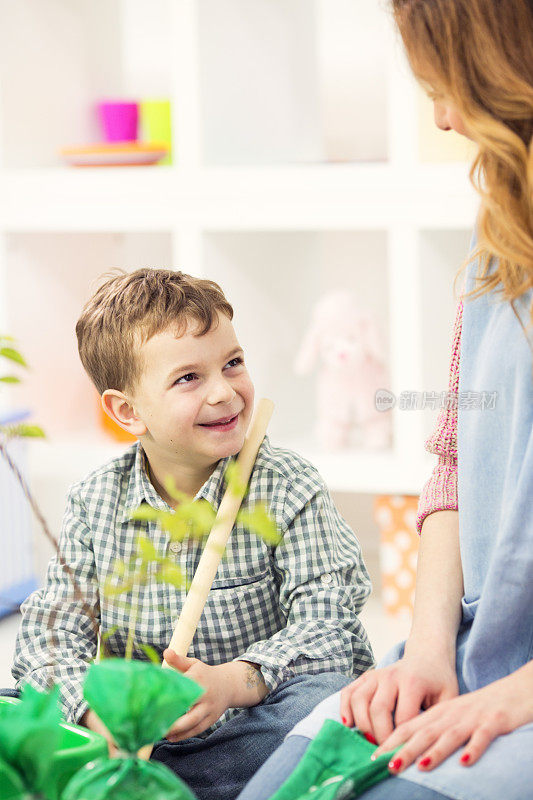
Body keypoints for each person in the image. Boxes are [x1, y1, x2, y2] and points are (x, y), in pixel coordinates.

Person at [237, 1, 533, 798]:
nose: (439, 118)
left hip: (522, 692)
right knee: (282, 789)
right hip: (472, 653)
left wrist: (514, 696)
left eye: (449, 87)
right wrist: (429, 647)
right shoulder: (499, 228)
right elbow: (452, 460)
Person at [11, 269, 374, 800]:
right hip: (147, 733)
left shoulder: (289, 486)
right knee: (24, 705)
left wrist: (232, 683)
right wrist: (94, 717)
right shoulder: (93, 501)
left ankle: (148, 784)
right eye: (189, 378)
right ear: (127, 411)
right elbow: (49, 638)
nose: (226, 392)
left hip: (255, 715)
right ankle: (138, 773)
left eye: (233, 363)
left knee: (332, 703)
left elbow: (332, 628)